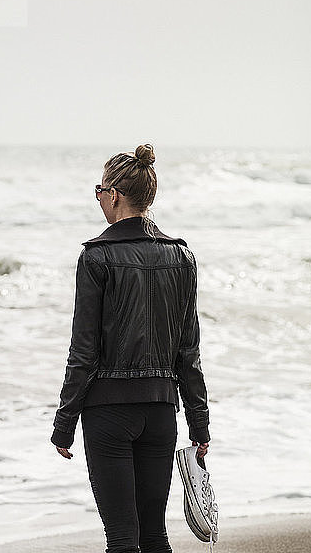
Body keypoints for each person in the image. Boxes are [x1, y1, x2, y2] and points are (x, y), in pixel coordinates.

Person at [50, 144, 210, 553]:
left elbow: (83, 350)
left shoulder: (96, 257)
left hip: (108, 414)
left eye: (99, 190)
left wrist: (64, 421)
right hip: (161, 410)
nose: (99, 198)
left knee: (122, 539)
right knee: (154, 536)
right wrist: (199, 422)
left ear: (115, 195)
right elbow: (188, 350)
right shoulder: (181, 256)